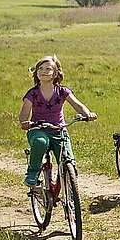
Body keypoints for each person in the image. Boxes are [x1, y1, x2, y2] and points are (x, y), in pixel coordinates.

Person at [17, 55, 97, 195]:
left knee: (67, 159)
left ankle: (68, 183)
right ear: (36, 73)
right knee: (41, 142)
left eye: (48, 69)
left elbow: (78, 105)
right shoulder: (33, 93)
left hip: (59, 129)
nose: (43, 71)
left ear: (56, 73)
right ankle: (32, 173)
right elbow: (24, 114)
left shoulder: (62, 91)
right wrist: (25, 123)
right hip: (38, 129)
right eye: (40, 68)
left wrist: (87, 114)